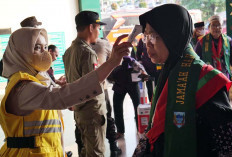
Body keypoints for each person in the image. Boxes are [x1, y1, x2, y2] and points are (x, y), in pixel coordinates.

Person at [0, 27, 131, 157]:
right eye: (37, 48)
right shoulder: (22, 86)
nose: (45, 53)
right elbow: (62, 97)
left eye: (45, 47)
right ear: (20, 52)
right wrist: (111, 62)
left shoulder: (37, 80)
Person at [132, 4, 232, 157]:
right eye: (145, 36)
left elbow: (226, 146)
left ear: (172, 35)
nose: (147, 43)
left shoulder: (207, 80)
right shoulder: (168, 70)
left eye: (152, 36)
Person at [63, 11, 122, 157]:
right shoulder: (87, 53)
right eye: (98, 27)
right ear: (91, 28)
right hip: (92, 112)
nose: (99, 31)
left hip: (80, 111)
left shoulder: (69, 51)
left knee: (85, 150)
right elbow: (92, 84)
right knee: (96, 153)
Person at [91, 38, 122, 156]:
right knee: (107, 116)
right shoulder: (103, 44)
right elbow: (114, 61)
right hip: (101, 88)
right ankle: (113, 147)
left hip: (82, 90)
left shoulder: (76, 48)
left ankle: (83, 148)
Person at [108, 55, 146, 139]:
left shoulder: (129, 59)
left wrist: (143, 73)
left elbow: (141, 68)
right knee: (119, 107)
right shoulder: (113, 60)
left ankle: (139, 129)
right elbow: (109, 76)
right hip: (121, 84)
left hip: (130, 83)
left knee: (137, 106)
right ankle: (121, 131)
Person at [136, 37, 161, 102]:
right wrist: (141, 65)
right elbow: (138, 54)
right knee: (150, 89)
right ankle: (152, 103)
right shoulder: (142, 40)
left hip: (159, 69)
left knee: (160, 88)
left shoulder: (159, 38)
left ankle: (159, 103)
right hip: (147, 69)